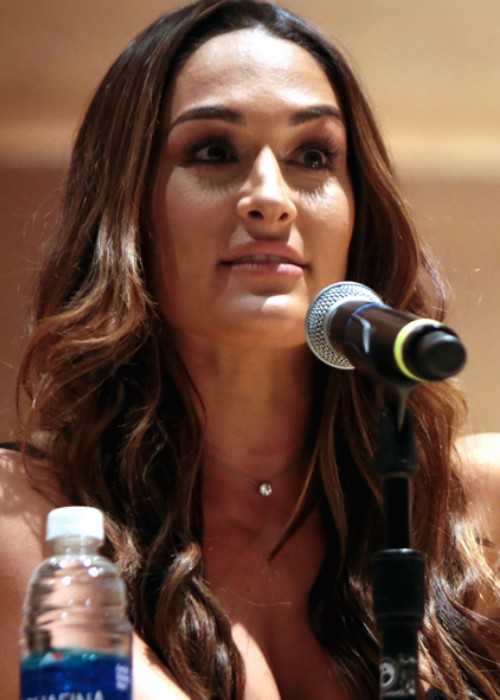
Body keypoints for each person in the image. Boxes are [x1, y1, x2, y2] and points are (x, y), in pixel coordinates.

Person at [1, 0, 499, 698]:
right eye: (213, 152)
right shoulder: (31, 519)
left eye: (313, 156)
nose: (271, 198)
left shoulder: (474, 510)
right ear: (127, 211)